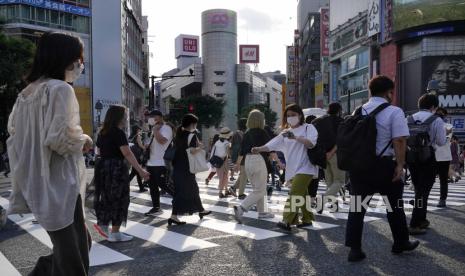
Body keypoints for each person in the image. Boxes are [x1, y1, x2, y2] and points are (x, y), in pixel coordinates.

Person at [6, 32, 94, 275]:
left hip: (35, 179)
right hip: (60, 182)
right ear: (65, 57)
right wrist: (84, 139)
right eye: (78, 58)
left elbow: (15, 136)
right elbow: (60, 139)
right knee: (73, 259)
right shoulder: (60, 89)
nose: (80, 64)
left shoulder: (25, 95)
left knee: (77, 245)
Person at [345, 75, 419, 262]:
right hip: (384, 165)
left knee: (356, 208)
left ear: (370, 91)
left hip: (359, 167)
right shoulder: (394, 111)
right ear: (389, 92)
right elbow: (400, 139)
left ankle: (354, 250)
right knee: (394, 206)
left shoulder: (358, 110)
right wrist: (400, 165)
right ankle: (400, 242)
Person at [252, 104, 318, 231]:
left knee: (294, 193)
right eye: (288, 116)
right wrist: (259, 148)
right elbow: (272, 144)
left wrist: (296, 138)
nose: (291, 117)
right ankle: (307, 219)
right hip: (293, 168)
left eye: (293, 115)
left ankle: (286, 220)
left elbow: (311, 144)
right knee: (302, 194)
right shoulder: (286, 132)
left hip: (307, 167)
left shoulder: (309, 127)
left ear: (300, 115)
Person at [94, 105, 150, 242]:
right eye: (124, 115)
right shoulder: (118, 133)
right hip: (117, 168)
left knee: (107, 197)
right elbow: (127, 153)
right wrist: (141, 170)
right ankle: (115, 233)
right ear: (118, 117)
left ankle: (104, 224)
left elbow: (98, 152)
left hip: (104, 168)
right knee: (121, 198)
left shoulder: (102, 132)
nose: (126, 118)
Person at [408, 93, 447, 235]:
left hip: (411, 157)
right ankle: (414, 223)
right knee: (423, 191)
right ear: (433, 107)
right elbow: (441, 141)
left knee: (419, 189)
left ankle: (422, 220)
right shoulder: (436, 120)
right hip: (428, 157)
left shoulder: (409, 118)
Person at [233, 110, 274, 223]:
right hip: (258, 160)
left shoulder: (247, 133)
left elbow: (241, 151)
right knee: (260, 189)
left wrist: (237, 164)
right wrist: (278, 161)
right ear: (261, 120)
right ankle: (241, 208)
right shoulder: (262, 132)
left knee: (259, 188)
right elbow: (269, 148)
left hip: (247, 161)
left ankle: (263, 212)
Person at [169, 114, 211, 225]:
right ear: (192, 124)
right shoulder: (191, 136)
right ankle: (173, 216)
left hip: (178, 166)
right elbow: (192, 150)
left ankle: (201, 210)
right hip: (186, 167)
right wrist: (200, 148)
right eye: (195, 123)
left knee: (191, 189)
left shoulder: (178, 135)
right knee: (184, 191)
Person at [312, 103, 345, 212]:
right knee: (339, 181)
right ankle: (323, 199)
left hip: (322, 154)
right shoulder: (341, 121)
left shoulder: (317, 121)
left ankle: (334, 205)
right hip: (336, 153)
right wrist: (332, 151)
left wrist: (324, 153)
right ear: (339, 110)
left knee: (330, 181)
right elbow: (341, 139)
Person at [144, 110, 173, 217]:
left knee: (163, 184)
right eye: (150, 117)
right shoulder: (154, 129)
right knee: (152, 186)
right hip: (151, 162)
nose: (151, 118)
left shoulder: (166, 128)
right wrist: (147, 145)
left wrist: (155, 130)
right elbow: (153, 143)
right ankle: (156, 207)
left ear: (160, 117)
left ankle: (180, 200)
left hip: (161, 162)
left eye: (154, 116)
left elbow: (162, 141)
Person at [434, 108, 452, 208]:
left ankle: (442, 199)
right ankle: (422, 198)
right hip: (432, 156)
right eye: (437, 113)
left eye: (441, 113)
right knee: (427, 179)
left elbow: (442, 140)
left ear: (445, 115)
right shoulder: (432, 124)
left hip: (444, 157)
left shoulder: (449, 126)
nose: (439, 115)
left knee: (443, 179)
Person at [211, 127, 233, 198]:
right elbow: (228, 153)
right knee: (225, 176)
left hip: (217, 161)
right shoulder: (227, 143)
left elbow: (213, 152)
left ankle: (223, 191)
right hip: (224, 161)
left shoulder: (217, 142)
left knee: (221, 177)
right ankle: (223, 191)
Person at [229, 118, 248, 197]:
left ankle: (233, 188)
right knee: (244, 175)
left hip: (241, 156)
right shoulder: (242, 134)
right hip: (242, 156)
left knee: (244, 174)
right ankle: (240, 193)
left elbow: (232, 146)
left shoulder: (236, 133)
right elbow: (240, 147)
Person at [129, 125, 147, 192]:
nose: (140, 130)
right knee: (137, 171)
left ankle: (141, 187)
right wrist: (145, 148)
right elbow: (140, 145)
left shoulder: (131, 136)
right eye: (139, 129)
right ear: (137, 130)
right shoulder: (138, 136)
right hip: (137, 156)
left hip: (133, 156)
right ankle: (141, 188)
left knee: (134, 172)